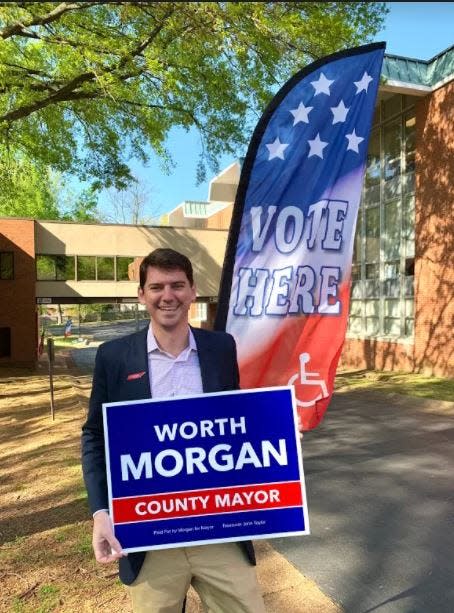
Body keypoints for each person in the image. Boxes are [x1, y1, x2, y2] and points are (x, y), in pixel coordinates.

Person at [81, 248, 265, 613]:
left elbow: (233, 424)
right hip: (148, 535)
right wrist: (100, 511)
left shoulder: (221, 348)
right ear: (142, 295)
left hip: (218, 525)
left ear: (193, 290)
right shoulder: (114, 357)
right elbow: (95, 437)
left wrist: (274, 430)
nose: (168, 296)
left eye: (178, 285)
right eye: (157, 287)